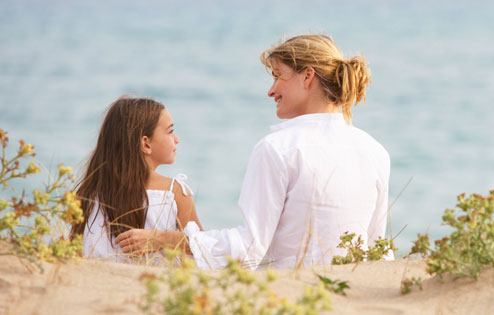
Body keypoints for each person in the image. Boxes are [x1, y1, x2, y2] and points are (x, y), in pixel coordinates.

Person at [116, 34, 390, 270]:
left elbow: (249, 246)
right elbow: (378, 250)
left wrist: (164, 239)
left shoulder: (277, 148)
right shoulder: (376, 151)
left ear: (308, 76)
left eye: (278, 76)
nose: (271, 90)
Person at [71, 96, 203, 263]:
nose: (177, 139)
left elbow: (74, 249)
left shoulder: (89, 193)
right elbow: (203, 249)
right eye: (170, 131)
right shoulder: (174, 192)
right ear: (146, 144)